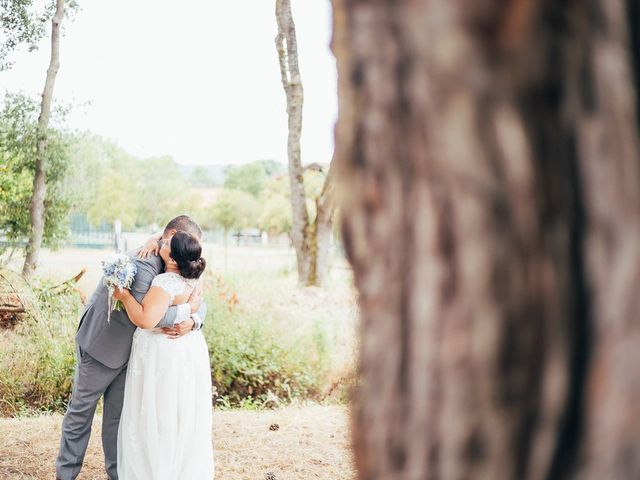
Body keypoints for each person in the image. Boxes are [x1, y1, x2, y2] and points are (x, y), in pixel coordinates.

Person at [55, 215, 206, 480]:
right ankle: (65, 474)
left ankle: (118, 474)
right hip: (103, 345)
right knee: (81, 413)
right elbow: (150, 317)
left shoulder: (176, 259)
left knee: (118, 419)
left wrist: (194, 320)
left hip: (136, 355)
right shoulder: (144, 262)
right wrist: (186, 309)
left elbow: (195, 290)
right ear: (169, 237)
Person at [113, 231, 214, 479]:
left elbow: (146, 320)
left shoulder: (164, 282)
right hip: (186, 350)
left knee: (155, 410)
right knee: (180, 410)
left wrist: (124, 296)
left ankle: (156, 470)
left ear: (172, 258)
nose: (162, 242)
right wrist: (188, 312)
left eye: (167, 243)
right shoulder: (194, 277)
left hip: (161, 351)